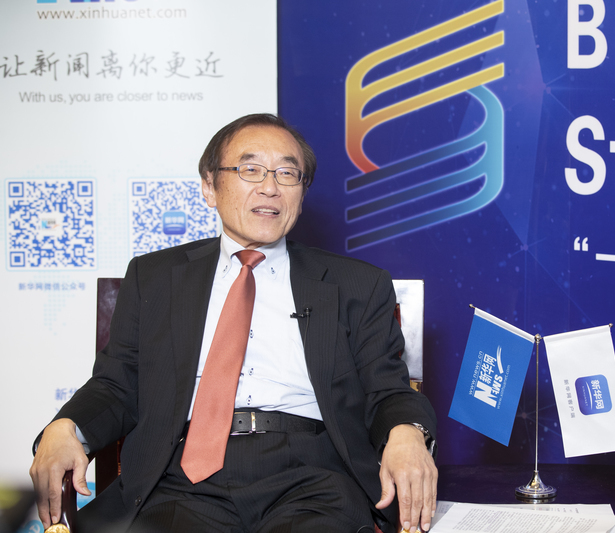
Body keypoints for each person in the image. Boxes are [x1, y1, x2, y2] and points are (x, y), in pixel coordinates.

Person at [30, 113, 438, 533]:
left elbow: (387, 389)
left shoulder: (357, 284)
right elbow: (117, 384)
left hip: (314, 477)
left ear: (301, 194)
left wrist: (408, 431)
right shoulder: (154, 277)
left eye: (287, 173)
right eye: (250, 169)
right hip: (181, 480)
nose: (270, 187)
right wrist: (65, 427)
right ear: (210, 186)